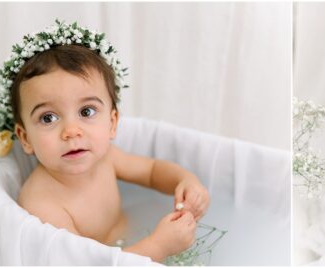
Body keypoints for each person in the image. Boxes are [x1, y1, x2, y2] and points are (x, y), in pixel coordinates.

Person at [12, 44, 209, 262]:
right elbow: (84, 265)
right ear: (25, 138)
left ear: (112, 123)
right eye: (48, 117)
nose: (71, 131)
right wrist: (158, 246)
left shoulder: (106, 158)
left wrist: (185, 181)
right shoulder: (42, 204)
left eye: (86, 111)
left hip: (132, 239)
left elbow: (152, 171)